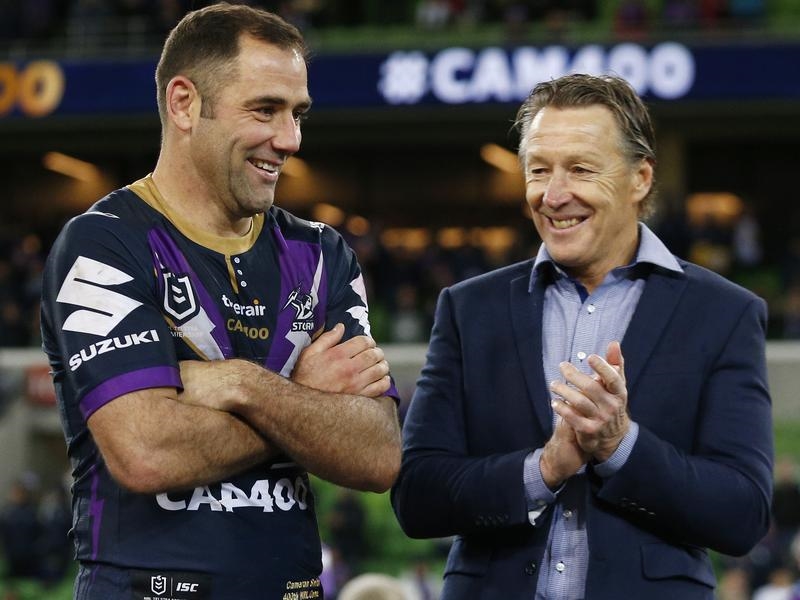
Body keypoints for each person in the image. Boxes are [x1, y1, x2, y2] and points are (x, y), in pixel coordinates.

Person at [39, 4, 401, 600]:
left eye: (297, 113)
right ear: (184, 103)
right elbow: (146, 451)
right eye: (265, 109)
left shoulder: (321, 253)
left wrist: (242, 385)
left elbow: (377, 454)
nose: (290, 139)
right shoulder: (104, 243)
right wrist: (303, 399)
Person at [391, 73, 773, 599]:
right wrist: (544, 469)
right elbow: (417, 497)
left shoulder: (724, 313)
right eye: (538, 170)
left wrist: (620, 446)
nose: (553, 195)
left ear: (640, 178)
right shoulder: (468, 309)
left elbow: (743, 514)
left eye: (580, 169)